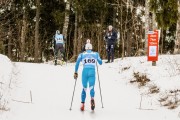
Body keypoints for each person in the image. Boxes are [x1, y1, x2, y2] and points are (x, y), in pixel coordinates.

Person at [74, 43, 102, 111]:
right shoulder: (95, 54)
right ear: (91, 48)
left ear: (85, 48)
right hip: (92, 71)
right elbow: (100, 62)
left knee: (84, 88)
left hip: (85, 72)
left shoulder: (82, 54)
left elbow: (77, 63)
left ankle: (82, 104)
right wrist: (96, 58)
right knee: (91, 87)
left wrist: (75, 72)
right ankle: (92, 98)